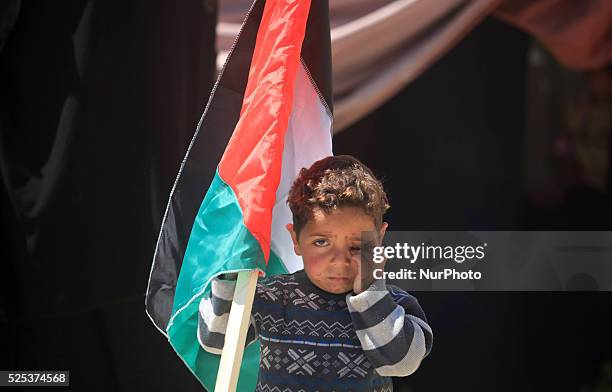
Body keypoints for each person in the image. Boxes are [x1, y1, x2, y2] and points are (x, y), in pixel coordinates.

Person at [197, 155, 433, 392]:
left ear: (379, 238)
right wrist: (231, 269)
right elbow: (217, 339)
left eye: (356, 246)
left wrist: (370, 294)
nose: (340, 261)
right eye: (321, 242)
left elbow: (402, 364)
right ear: (296, 239)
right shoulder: (274, 295)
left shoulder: (394, 305)